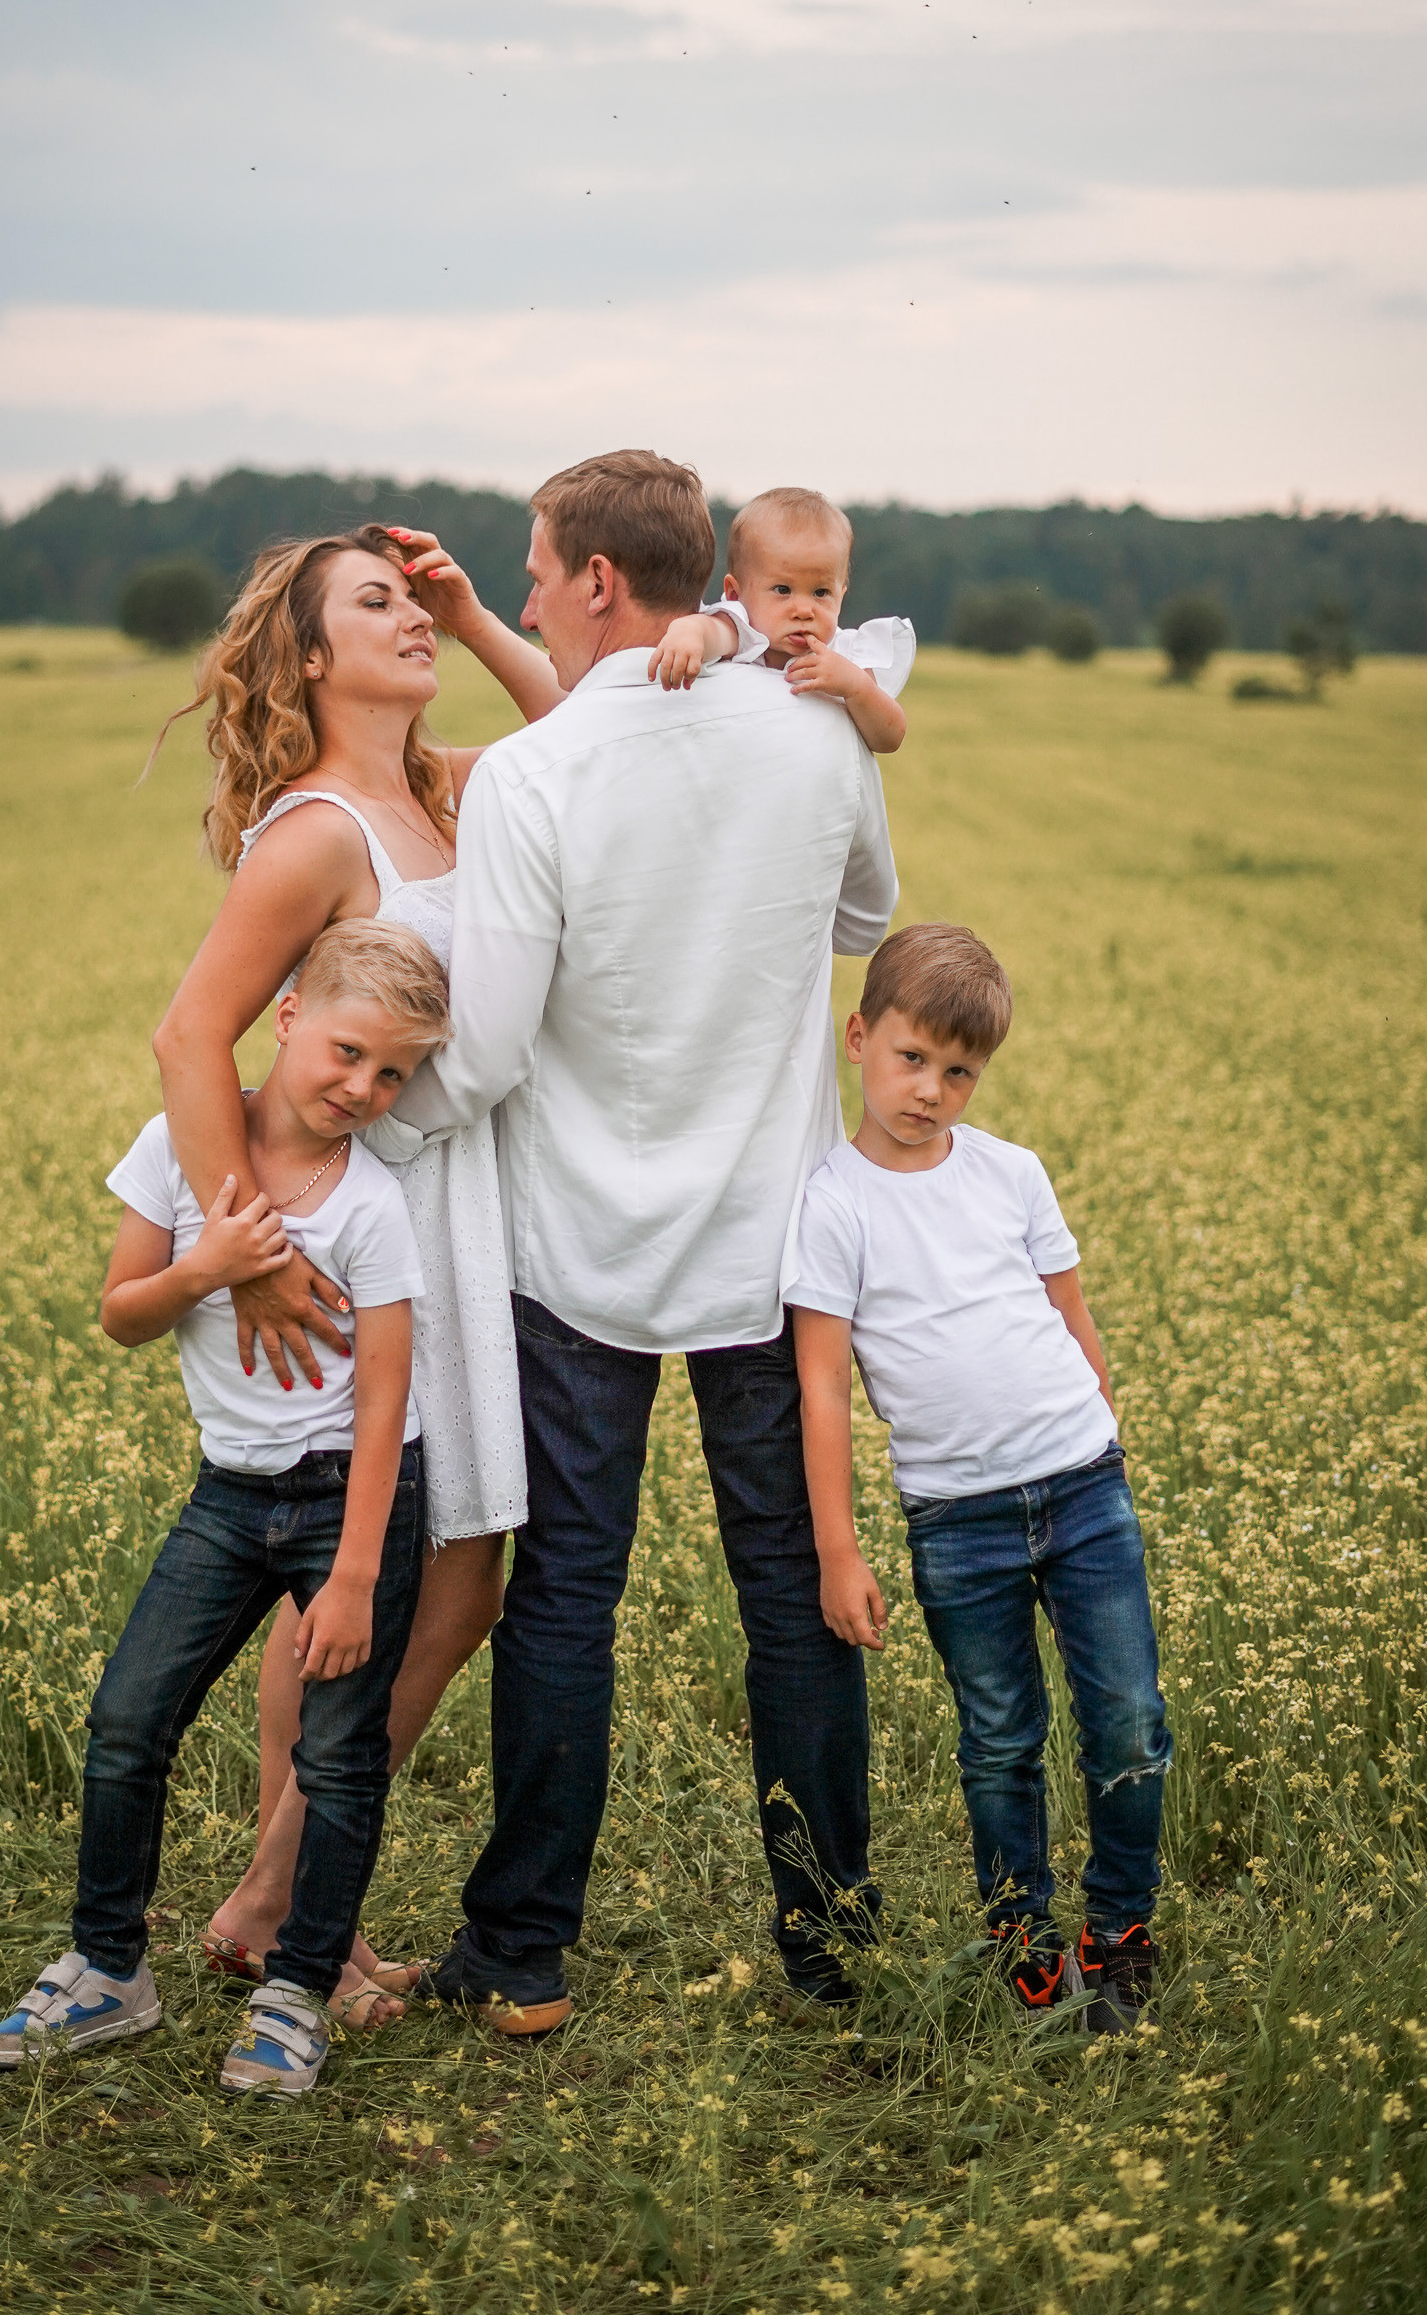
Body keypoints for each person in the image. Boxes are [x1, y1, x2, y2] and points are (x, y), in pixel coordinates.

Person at [388, 448, 900, 2033]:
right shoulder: (820, 731)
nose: (527, 594)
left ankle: (523, 1955)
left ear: (600, 582)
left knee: (565, 1596)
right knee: (788, 1593)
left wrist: (359, 1133)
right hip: (771, 1241)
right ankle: (832, 1947)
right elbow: (865, 921)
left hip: (579, 1251)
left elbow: (484, 1052)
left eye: (537, 572)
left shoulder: (534, 775)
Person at [148, 525, 529, 2032]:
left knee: (463, 1571)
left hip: (460, 1211)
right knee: (365, 1575)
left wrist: (475, 613)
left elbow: (589, 744)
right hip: (369, 1227)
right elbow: (192, 1035)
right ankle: (289, 1909)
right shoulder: (313, 832)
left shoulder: (439, 787)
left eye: (411, 597)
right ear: (310, 658)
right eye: (378, 604)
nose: (410, 616)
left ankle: (284, 1900)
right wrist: (247, 1250)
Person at [0, 920, 449, 2097]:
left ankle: (296, 1989)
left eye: (393, 1074)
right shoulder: (176, 1153)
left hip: (350, 1501)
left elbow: (385, 1396)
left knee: (339, 1757)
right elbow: (122, 1313)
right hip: (229, 1495)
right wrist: (209, 1267)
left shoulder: (371, 1203)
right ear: (284, 1017)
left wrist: (354, 1575)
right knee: (129, 1718)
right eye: (346, 1051)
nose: (362, 1088)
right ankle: (106, 1968)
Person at [786, 923, 1171, 2033]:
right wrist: (839, 1551)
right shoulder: (832, 1202)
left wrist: (1102, 1429)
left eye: (959, 1073)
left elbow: (1070, 1313)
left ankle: (1121, 1929)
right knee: (1000, 1738)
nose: (931, 1090)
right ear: (859, 1038)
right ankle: (1022, 1935)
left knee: (1128, 1722)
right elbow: (822, 1388)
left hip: (1081, 1487)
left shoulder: (1011, 1172)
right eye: (912, 1058)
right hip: (957, 1520)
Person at [649, 485, 914, 754]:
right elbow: (713, 632)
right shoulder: (742, 633)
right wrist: (689, 630)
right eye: (783, 590)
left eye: (821, 592)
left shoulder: (845, 655)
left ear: (841, 597)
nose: (804, 610)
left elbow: (890, 739)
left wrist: (856, 688)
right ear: (735, 594)